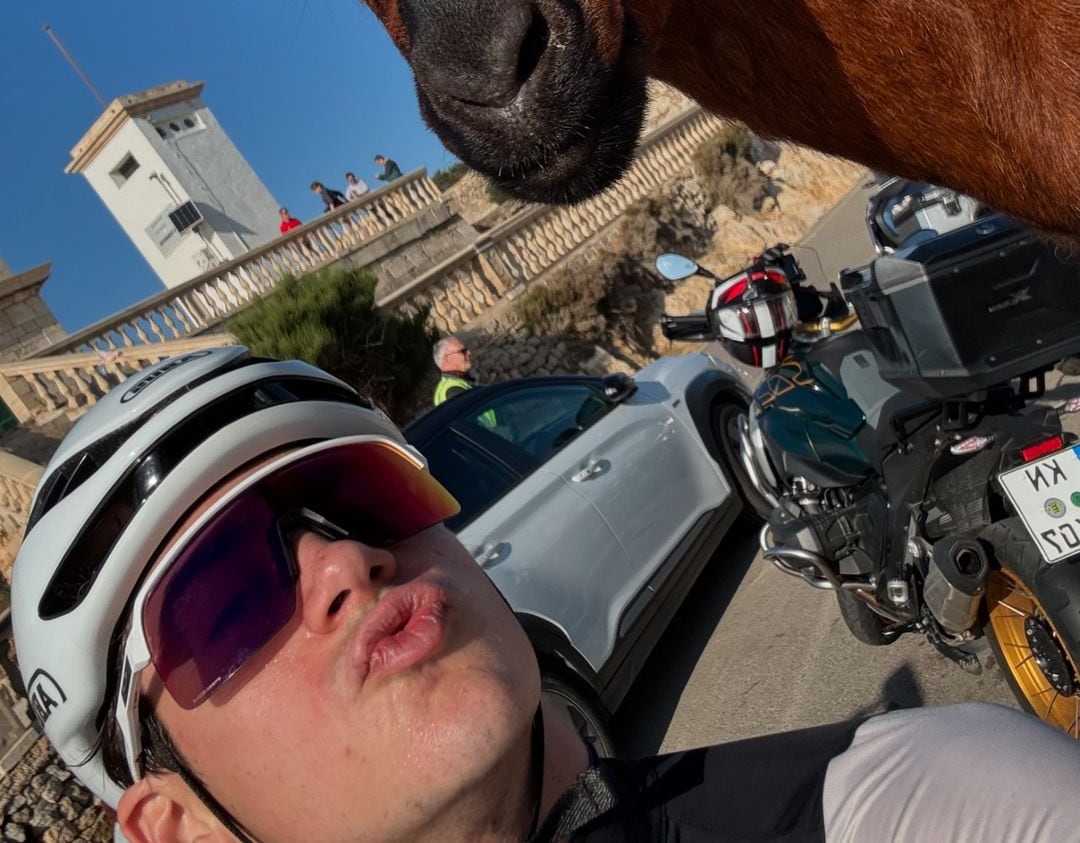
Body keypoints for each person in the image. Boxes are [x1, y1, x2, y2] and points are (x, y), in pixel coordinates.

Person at [12, 350, 1080, 843]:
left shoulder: (919, 806)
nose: (344, 565)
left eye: (365, 495)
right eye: (222, 595)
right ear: (177, 831)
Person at [432, 334, 474, 406]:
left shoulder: (445, 387)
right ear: (446, 359)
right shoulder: (453, 390)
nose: (468, 353)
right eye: (462, 351)